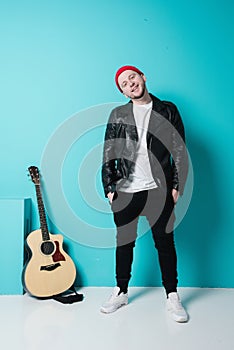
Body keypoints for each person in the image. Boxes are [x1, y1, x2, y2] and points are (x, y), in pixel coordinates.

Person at [101, 65, 189, 322]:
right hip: (126, 191)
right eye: (124, 84)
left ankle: (172, 296)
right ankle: (121, 291)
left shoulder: (168, 110)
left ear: (143, 77)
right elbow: (109, 152)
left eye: (132, 77)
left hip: (158, 190)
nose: (130, 83)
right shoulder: (118, 114)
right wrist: (109, 188)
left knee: (165, 243)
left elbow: (180, 150)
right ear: (123, 92)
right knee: (124, 243)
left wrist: (176, 187)